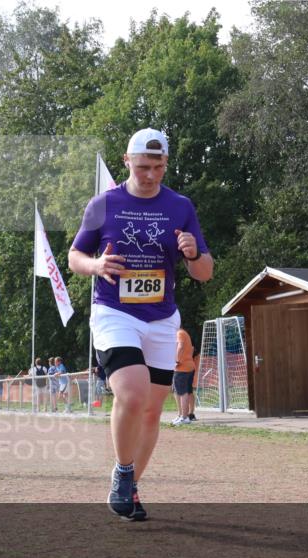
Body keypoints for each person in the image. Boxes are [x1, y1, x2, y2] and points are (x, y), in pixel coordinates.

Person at [68, 128, 213, 521]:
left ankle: (128, 487)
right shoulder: (103, 204)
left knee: (152, 410)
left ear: (166, 164)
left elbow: (204, 272)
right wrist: (96, 265)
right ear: (126, 162)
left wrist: (193, 252)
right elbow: (75, 255)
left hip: (162, 319)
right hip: (115, 312)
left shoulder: (180, 206)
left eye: (159, 167)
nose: (150, 175)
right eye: (143, 166)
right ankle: (124, 471)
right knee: (132, 394)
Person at [170, 327, 196, 425]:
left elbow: (180, 346)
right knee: (186, 392)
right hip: (189, 366)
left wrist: (176, 360)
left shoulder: (179, 333)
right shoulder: (184, 333)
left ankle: (184, 417)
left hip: (182, 368)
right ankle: (184, 415)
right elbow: (192, 348)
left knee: (182, 393)